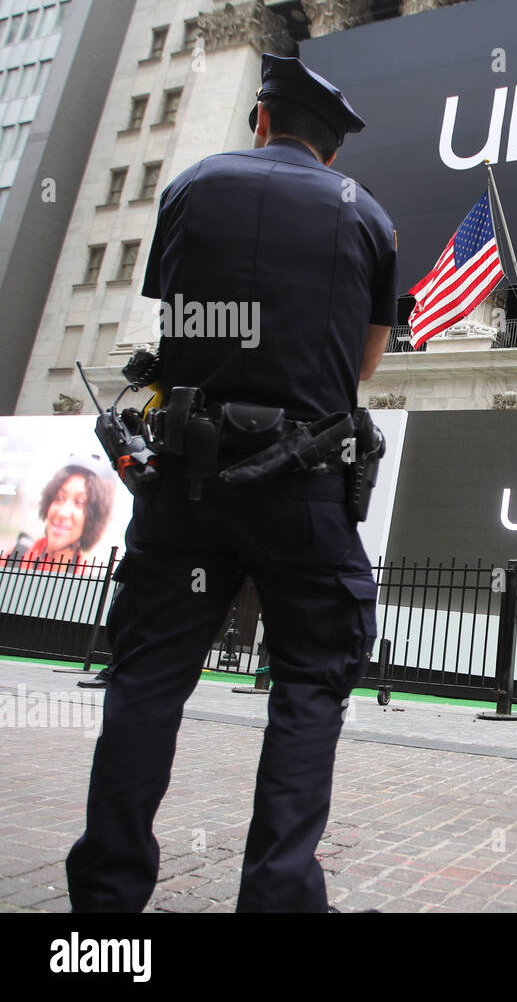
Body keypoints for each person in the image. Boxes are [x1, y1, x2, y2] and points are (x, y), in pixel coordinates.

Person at [66, 54, 397, 912]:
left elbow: (174, 319)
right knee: (309, 688)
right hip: (305, 486)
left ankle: (105, 908)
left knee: (146, 682)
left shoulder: (192, 185)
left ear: (261, 119)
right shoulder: (369, 216)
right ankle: (279, 896)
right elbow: (362, 363)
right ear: (332, 150)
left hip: (188, 480)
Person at [2, 455, 115, 572]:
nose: (62, 513)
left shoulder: (86, 584)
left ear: (94, 518)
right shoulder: (12, 559)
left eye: (79, 502)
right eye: (59, 498)